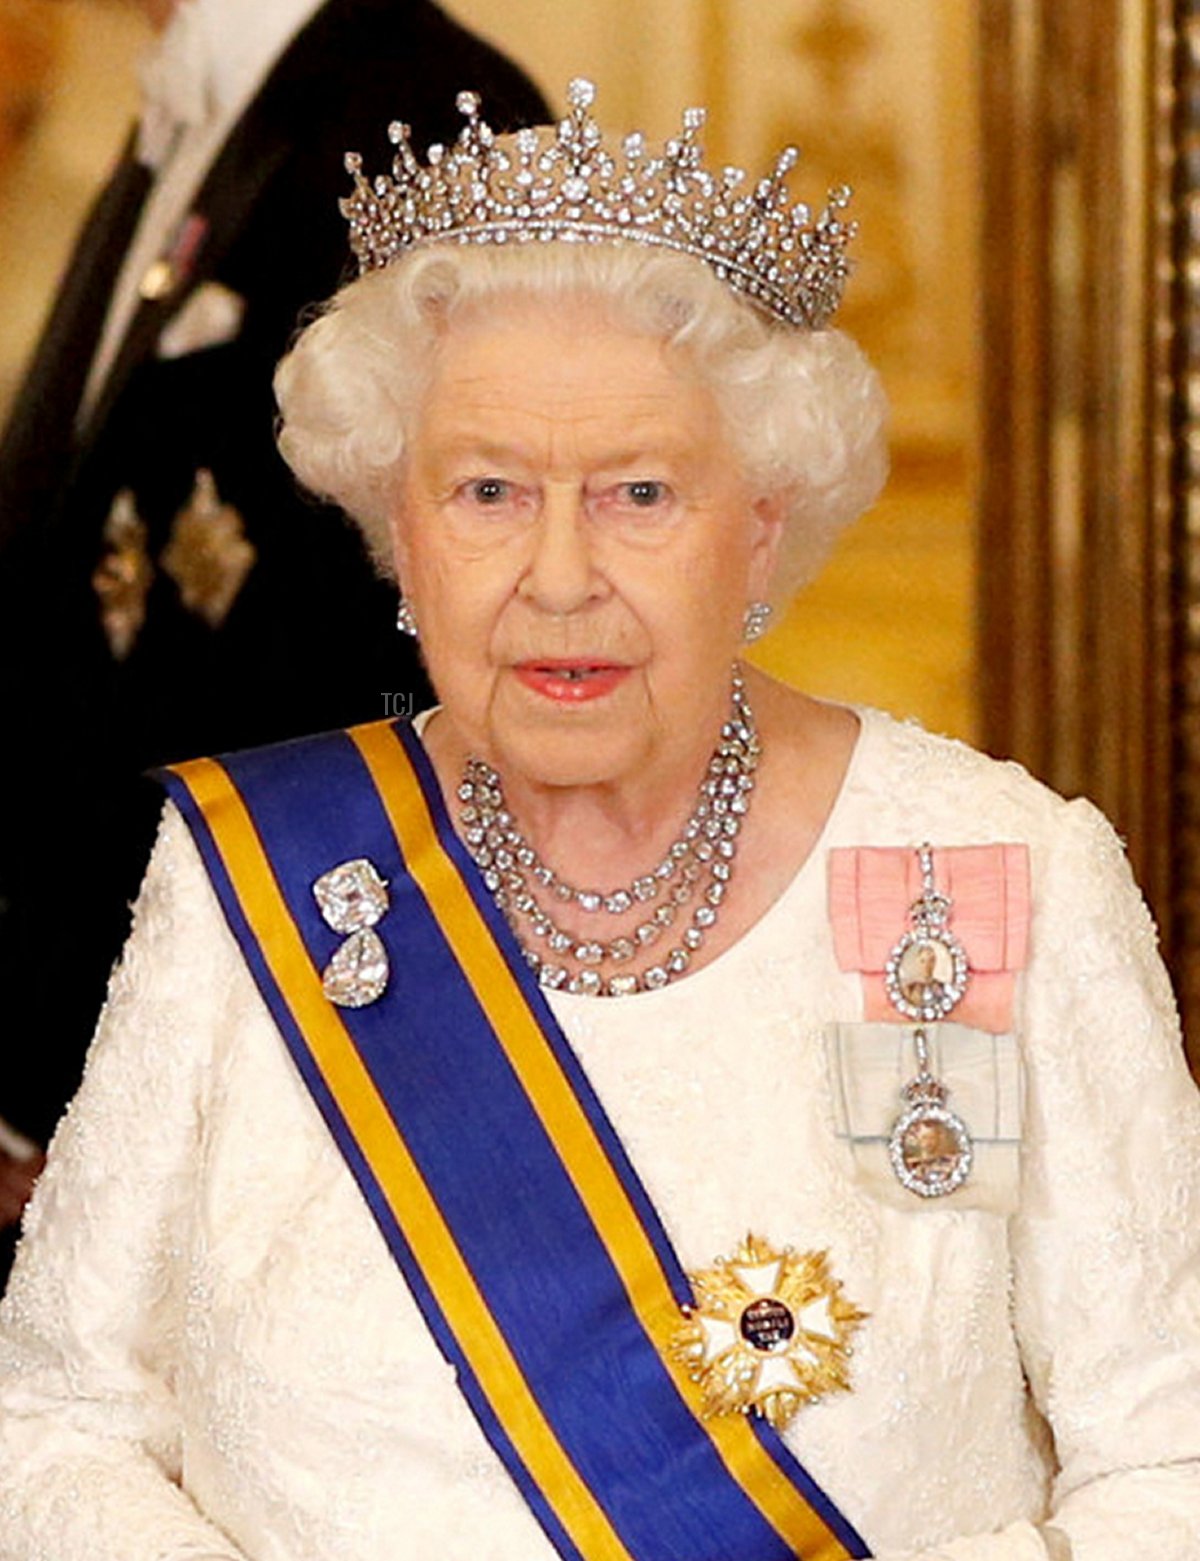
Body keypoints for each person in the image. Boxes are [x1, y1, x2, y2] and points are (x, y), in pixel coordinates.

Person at [0, 78, 1198, 1561]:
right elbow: (56, 1421)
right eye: (488, 490)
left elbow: (1170, 1459)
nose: (559, 577)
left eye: (640, 491)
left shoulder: (986, 872)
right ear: (400, 529)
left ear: (760, 519)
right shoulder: (254, 876)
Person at [0, 0, 548, 1279]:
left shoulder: (424, 107)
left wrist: (68, 1089)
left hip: (266, 1089)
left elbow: (397, 668)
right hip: (86, 1067)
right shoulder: (182, 105)